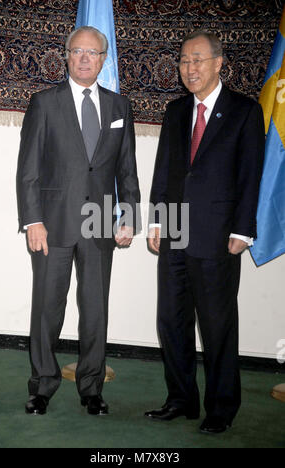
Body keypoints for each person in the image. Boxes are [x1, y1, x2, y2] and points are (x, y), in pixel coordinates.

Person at [17, 26, 141, 416]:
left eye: (93, 52)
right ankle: (42, 386)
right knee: (47, 308)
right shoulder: (44, 103)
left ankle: (92, 388)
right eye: (78, 51)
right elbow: (28, 170)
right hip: (51, 225)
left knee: (95, 309)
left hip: (101, 224)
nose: (85, 58)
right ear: (66, 56)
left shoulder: (120, 108)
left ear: (104, 60)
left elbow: (127, 170)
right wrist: (32, 220)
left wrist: (130, 214)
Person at [146, 31, 265, 434]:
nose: (189, 68)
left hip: (218, 234)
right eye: (183, 61)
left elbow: (252, 176)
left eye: (197, 60)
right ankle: (180, 399)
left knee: (216, 325)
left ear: (218, 63)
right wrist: (157, 220)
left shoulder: (244, 111)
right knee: (172, 321)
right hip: (175, 230)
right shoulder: (175, 110)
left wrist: (244, 229)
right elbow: (165, 169)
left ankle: (221, 408)